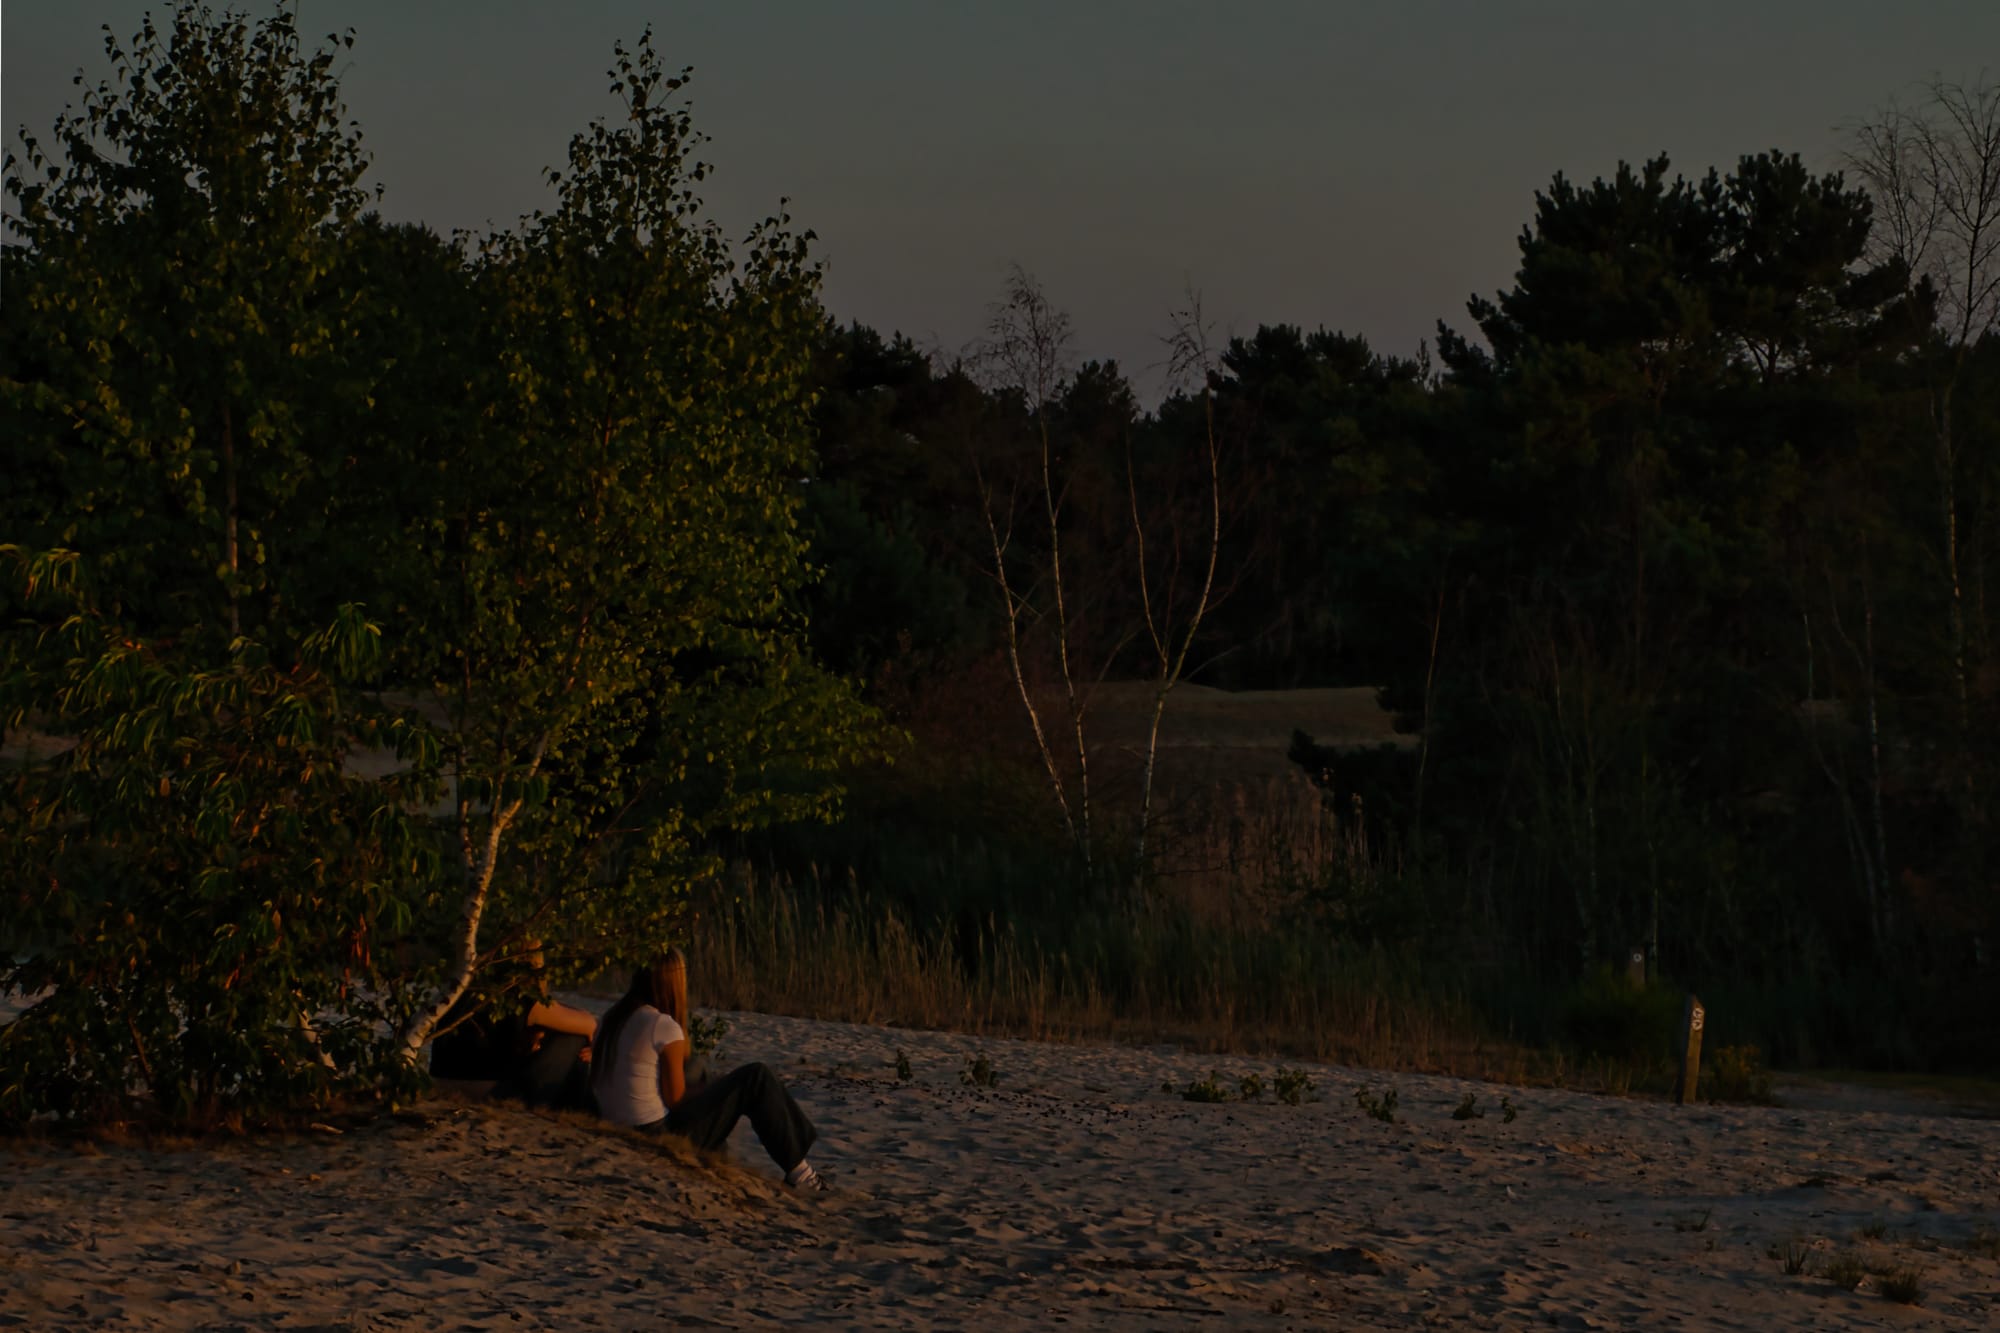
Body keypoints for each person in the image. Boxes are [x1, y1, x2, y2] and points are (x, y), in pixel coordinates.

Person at [591, 949, 825, 1190]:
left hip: (617, 1125)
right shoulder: (661, 1025)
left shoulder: (611, 1018)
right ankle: (801, 1174)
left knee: (696, 1069)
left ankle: (729, 1154)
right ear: (673, 983)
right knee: (756, 1077)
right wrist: (715, 1085)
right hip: (653, 1135)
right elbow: (676, 1099)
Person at [430, 943, 599, 1111]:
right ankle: (580, 1111)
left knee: (562, 1031)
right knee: (574, 1038)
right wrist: (592, 1043)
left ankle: (583, 1109)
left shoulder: (468, 988)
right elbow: (590, 1024)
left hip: (442, 1085)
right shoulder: (519, 997)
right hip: (486, 1094)